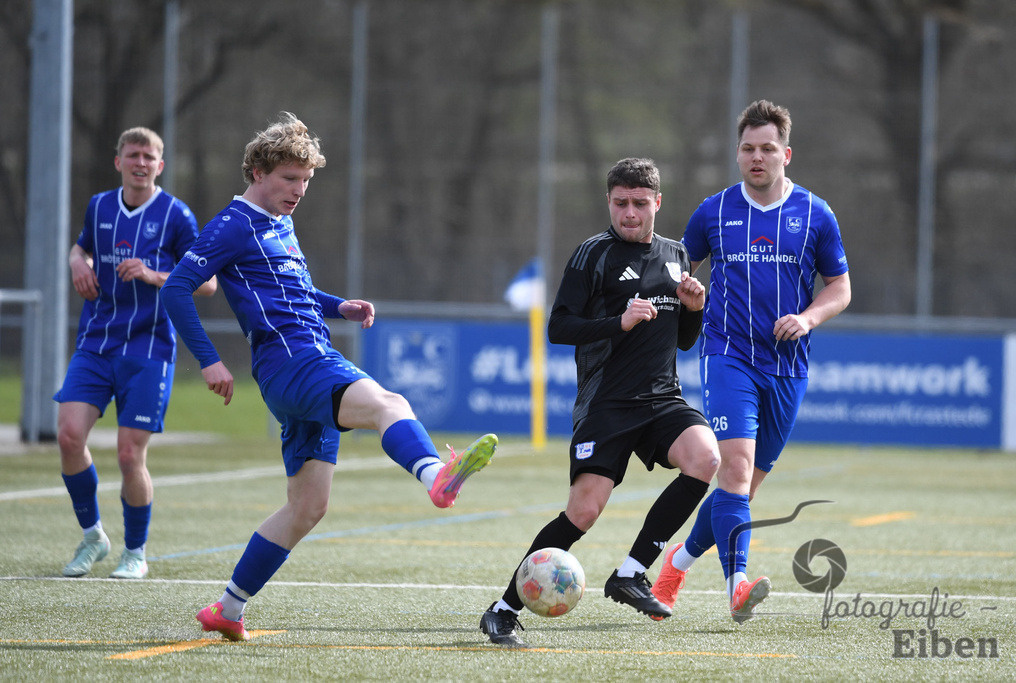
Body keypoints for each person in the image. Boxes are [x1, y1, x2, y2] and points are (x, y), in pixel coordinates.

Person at [161, 112, 497, 642]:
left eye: (305, 182)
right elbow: (176, 288)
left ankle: (227, 608)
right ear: (256, 171)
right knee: (390, 402)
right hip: (294, 362)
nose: (297, 191)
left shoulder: (279, 221)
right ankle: (436, 477)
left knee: (307, 507)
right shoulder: (233, 224)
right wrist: (208, 359)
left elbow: (290, 290)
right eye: (288, 179)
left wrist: (338, 305)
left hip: (300, 362)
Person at [479, 157, 720, 648]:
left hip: (662, 399)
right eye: (619, 203)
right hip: (606, 403)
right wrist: (620, 322)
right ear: (609, 202)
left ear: (657, 202)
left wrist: (695, 308)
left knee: (706, 458)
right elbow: (559, 327)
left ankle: (631, 573)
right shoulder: (592, 255)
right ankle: (503, 608)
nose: (629, 212)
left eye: (638, 203)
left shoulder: (676, 255)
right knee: (583, 513)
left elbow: (686, 341)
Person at [650, 99, 852, 624]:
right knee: (734, 470)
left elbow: (840, 288)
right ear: (737, 154)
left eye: (767, 149)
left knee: (740, 490)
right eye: (747, 149)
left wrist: (807, 319)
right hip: (726, 355)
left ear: (786, 153)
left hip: (788, 367)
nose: (756, 157)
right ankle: (738, 586)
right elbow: (673, 269)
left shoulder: (816, 213)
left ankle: (675, 563)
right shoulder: (712, 212)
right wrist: (683, 289)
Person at [55, 127, 217, 580]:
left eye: (149, 156)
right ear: (119, 161)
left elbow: (207, 284)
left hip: (149, 347)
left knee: (130, 455)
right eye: (133, 154)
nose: (140, 162)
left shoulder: (176, 215)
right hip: (97, 339)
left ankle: (136, 551)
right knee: (69, 436)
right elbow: (81, 246)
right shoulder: (100, 204)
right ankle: (92, 536)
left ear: (160, 166)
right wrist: (76, 262)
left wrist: (152, 274)